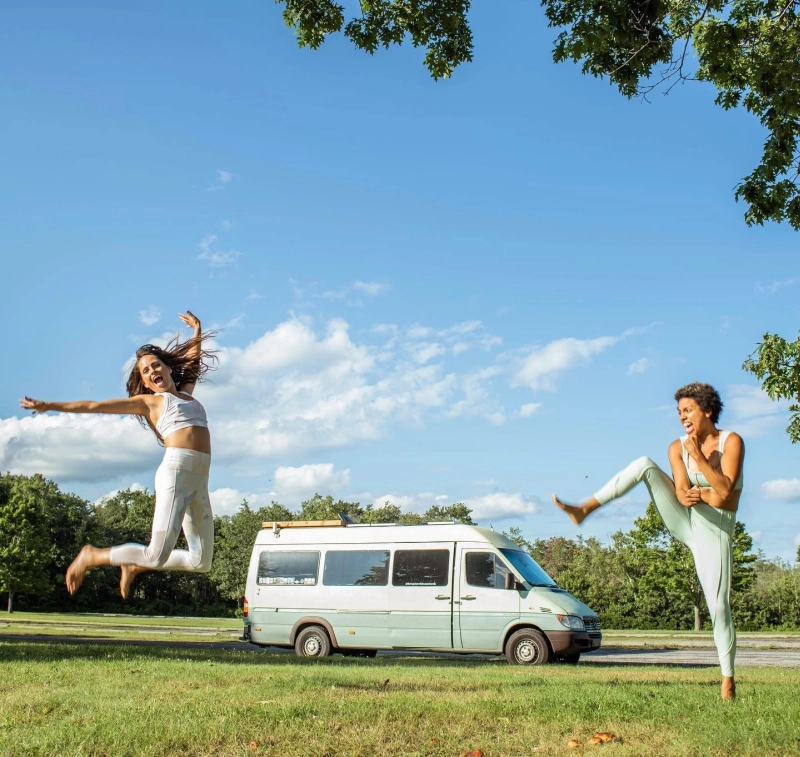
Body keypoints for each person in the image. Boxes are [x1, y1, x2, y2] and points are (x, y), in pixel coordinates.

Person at [552, 382, 744, 701]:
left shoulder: (731, 441)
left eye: (689, 410)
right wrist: (708, 492)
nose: (683, 417)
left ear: (707, 410)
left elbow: (726, 493)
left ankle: (728, 680)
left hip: (715, 535)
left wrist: (701, 462)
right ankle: (585, 508)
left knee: (719, 607)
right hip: (687, 522)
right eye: (679, 412)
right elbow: (684, 495)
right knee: (643, 464)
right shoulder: (676, 447)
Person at [20, 311, 217, 600]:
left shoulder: (187, 394)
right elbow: (94, 405)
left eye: (155, 365)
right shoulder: (149, 402)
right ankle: (92, 556)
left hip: (200, 480)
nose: (152, 372)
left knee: (201, 562)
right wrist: (49, 404)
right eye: (145, 372)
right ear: (146, 383)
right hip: (176, 472)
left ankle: (134, 564)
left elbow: (194, 364)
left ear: (169, 369)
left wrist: (197, 331)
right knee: (154, 554)